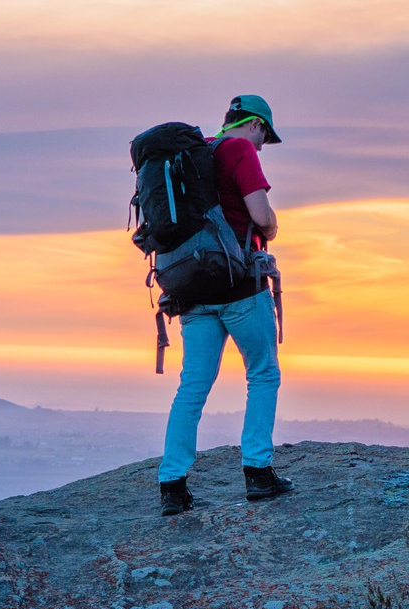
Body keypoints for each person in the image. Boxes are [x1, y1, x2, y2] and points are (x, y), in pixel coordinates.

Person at [158, 94, 294, 516]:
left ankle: (172, 485)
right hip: (239, 287)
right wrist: (273, 224)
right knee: (263, 374)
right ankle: (258, 473)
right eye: (265, 137)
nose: (262, 147)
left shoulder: (195, 153)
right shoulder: (238, 150)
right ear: (254, 124)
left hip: (192, 289)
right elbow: (262, 216)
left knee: (193, 386)